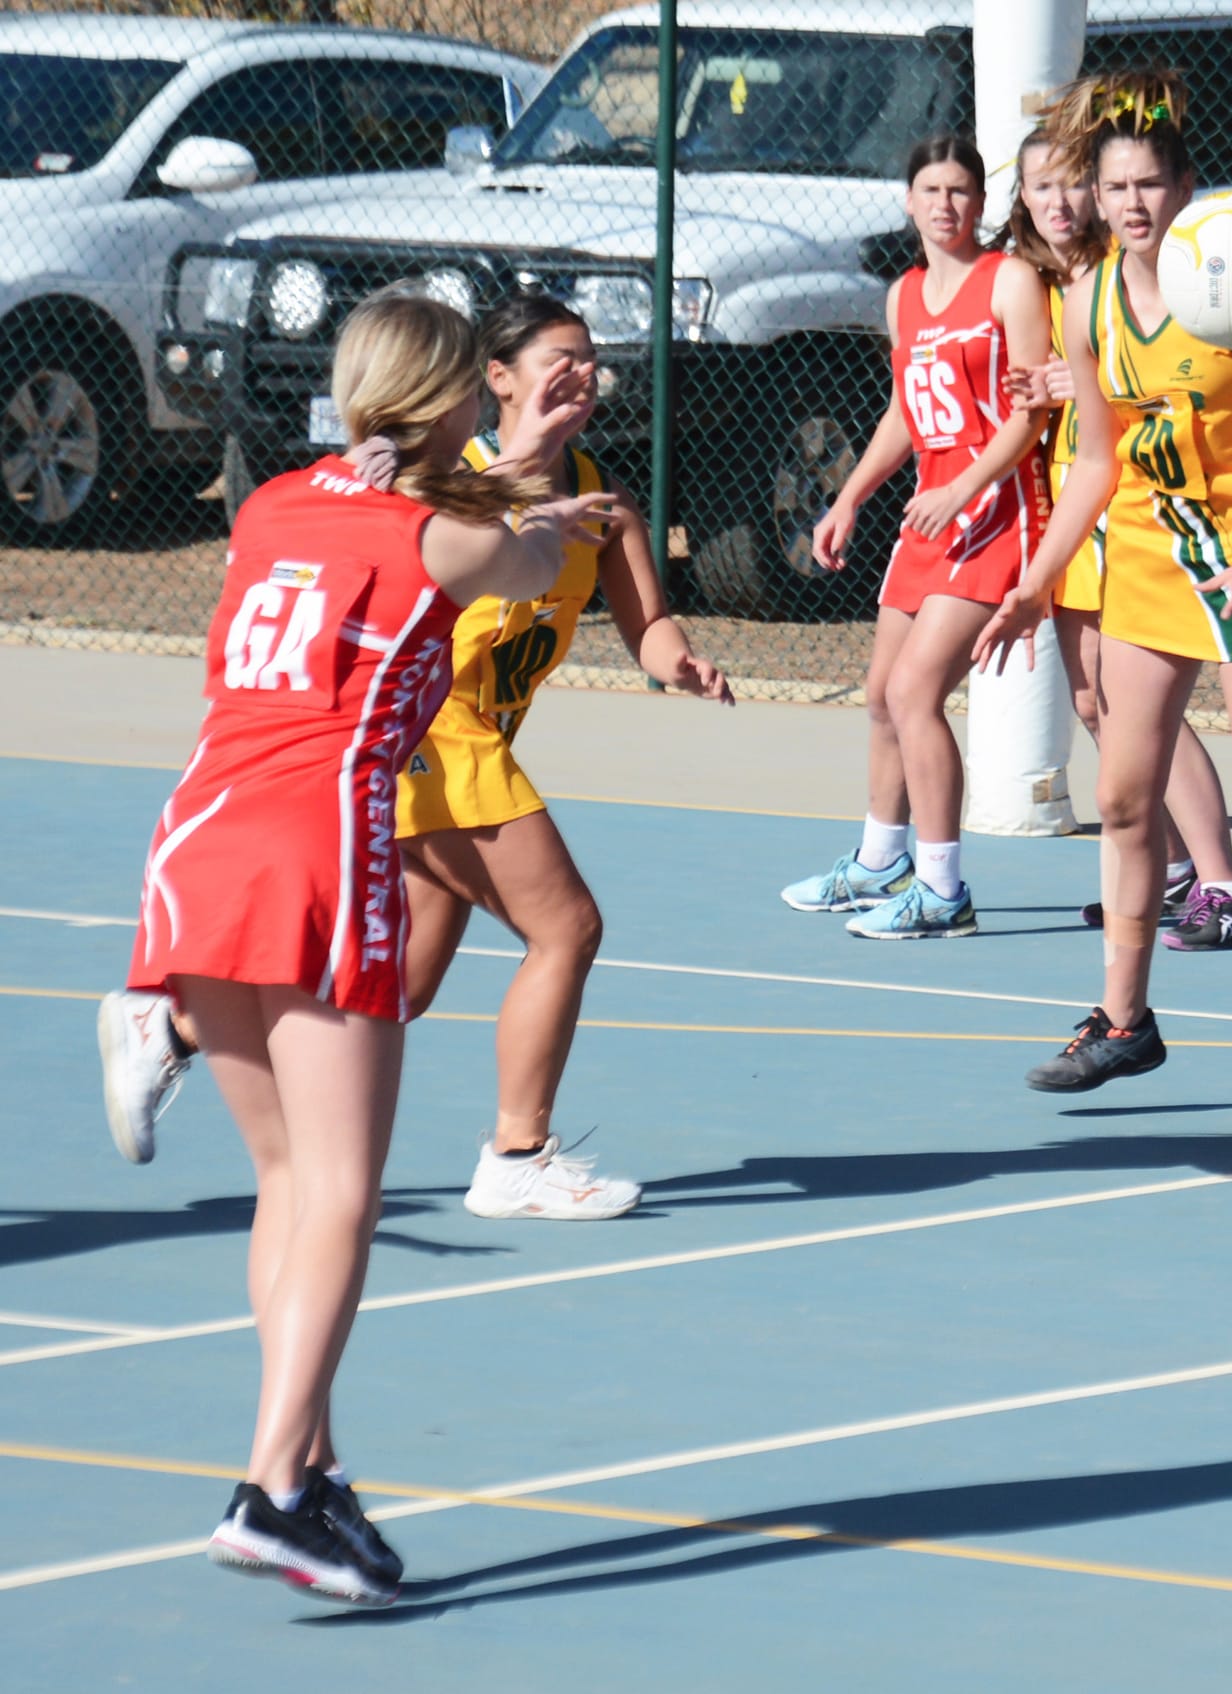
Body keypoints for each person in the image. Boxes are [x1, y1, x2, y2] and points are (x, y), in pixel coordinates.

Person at [122, 289, 617, 1603]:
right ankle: (271, 1486)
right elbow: (508, 560)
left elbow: (400, 516)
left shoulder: (272, 504)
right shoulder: (453, 537)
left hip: (195, 843)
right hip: (317, 851)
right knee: (343, 1189)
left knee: (286, 1177)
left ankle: (311, 1466)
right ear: (460, 393)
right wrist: (538, 501)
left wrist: (494, 480)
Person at [99, 294, 735, 1223]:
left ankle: (179, 1021)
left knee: (401, 988)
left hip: (453, 752)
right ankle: (517, 1154)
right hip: (433, 738)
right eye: (558, 358)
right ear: (499, 378)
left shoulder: (601, 500)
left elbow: (649, 628)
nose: (580, 373)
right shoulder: (437, 478)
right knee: (567, 928)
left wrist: (678, 662)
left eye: (591, 358)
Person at [974, 70, 1232, 1148]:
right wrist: (1032, 582)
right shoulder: (1084, 301)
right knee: (1119, 799)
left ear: (1184, 187)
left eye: (1151, 183)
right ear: (1095, 197)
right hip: (1151, 567)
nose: (1133, 203)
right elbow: (1094, 466)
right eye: (1116, 187)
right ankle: (1124, 1015)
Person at [778, 134, 1052, 939]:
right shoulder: (902, 296)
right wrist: (850, 497)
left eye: (961, 191)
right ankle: (879, 862)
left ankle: (943, 890)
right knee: (879, 696)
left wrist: (969, 482)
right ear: (909, 201)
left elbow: (1032, 413)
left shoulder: (1010, 281)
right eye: (931, 190)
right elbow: (908, 410)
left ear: (980, 203)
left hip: (996, 509)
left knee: (914, 694)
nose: (945, 204)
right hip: (931, 511)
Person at [1005, 126, 1232, 950]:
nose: (1057, 201)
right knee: (1092, 699)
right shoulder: (1055, 286)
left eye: (1069, 184)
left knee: (1132, 706)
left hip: (1142, 512)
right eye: (1037, 186)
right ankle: (1170, 868)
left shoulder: (1151, 279)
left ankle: (1221, 880)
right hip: (1079, 502)